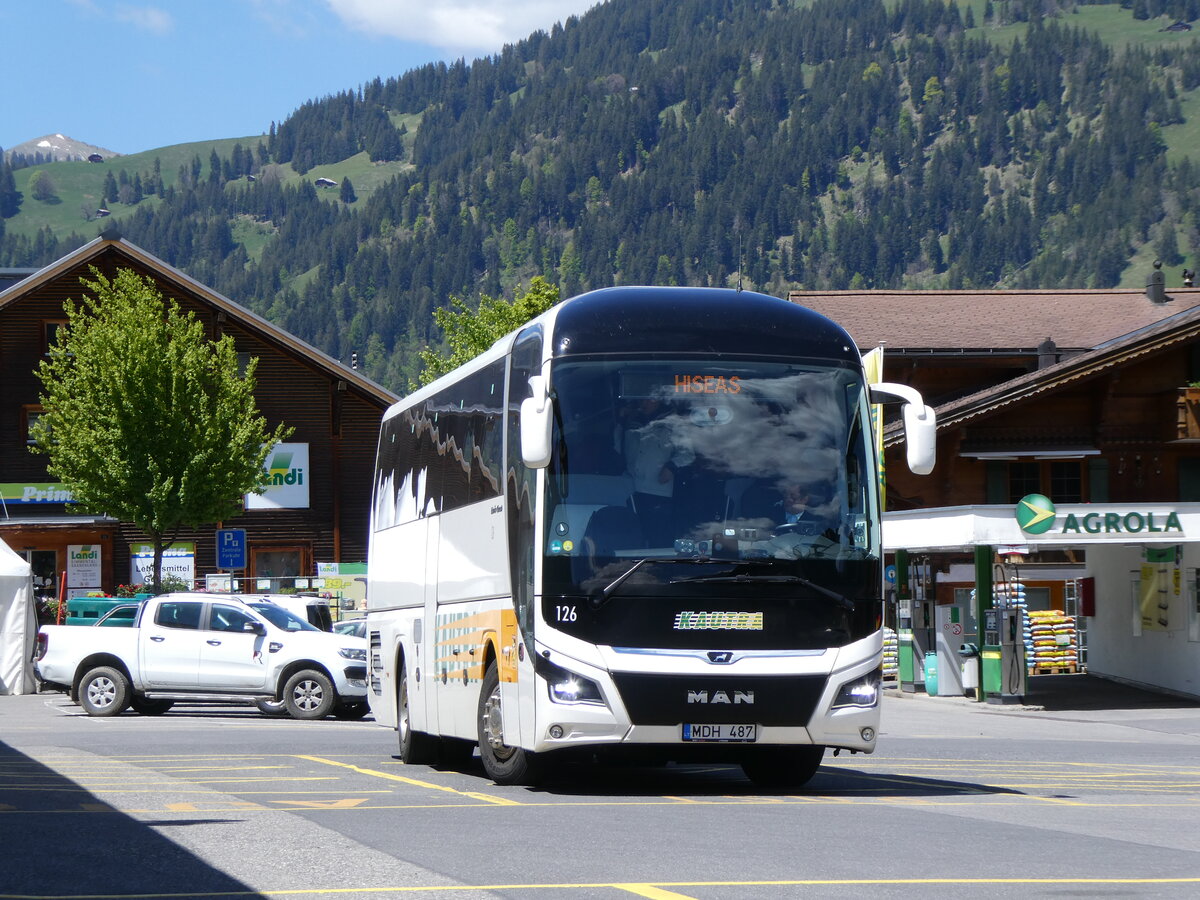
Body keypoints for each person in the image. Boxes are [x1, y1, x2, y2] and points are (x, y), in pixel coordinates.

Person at [619, 398, 694, 546]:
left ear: (661, 401)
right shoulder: (630, 422)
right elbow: (618, 450)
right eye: (641, 399)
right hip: (629, 489)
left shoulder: (674, 425)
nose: (644, 403)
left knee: (658, 538)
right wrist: (621, 421)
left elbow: (688, 454)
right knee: (630, 538)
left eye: (650, 400)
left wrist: (671, 467)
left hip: (659, 492)